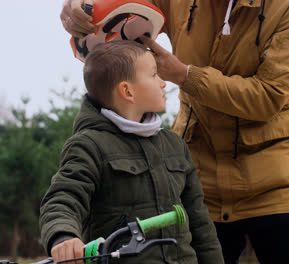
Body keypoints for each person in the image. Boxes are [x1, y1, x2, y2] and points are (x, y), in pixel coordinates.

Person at [61, 0, 289, 263]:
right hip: (198, 176)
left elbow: (269, 95)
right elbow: (118, 6)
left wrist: (185, 76)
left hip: (277, 180)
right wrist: (78, 8)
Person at [39, 40, 224, 264]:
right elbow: (62, 199)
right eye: (154, 74)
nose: (163, 83)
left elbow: (200, 222)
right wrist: (63, 236)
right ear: (127, 91)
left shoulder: (174, 144)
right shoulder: (89, 145)